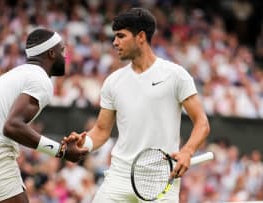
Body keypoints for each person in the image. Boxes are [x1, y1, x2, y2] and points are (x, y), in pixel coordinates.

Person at [65, 8, 210, 202]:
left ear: (141, 37)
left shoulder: (176, 75)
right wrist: (85, 143)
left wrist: (187, 151)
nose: (114, 42)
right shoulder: (113, 82)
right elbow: (101, 130)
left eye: (121, 36)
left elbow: (202, 123)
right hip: (119, 176)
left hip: (161, 178)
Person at [0, 28, 88, 203]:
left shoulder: (15, 74)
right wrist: (61, 151)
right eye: (62, 51)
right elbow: (12, 126)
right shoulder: (40, 79)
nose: (65, 57)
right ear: (52, 53)